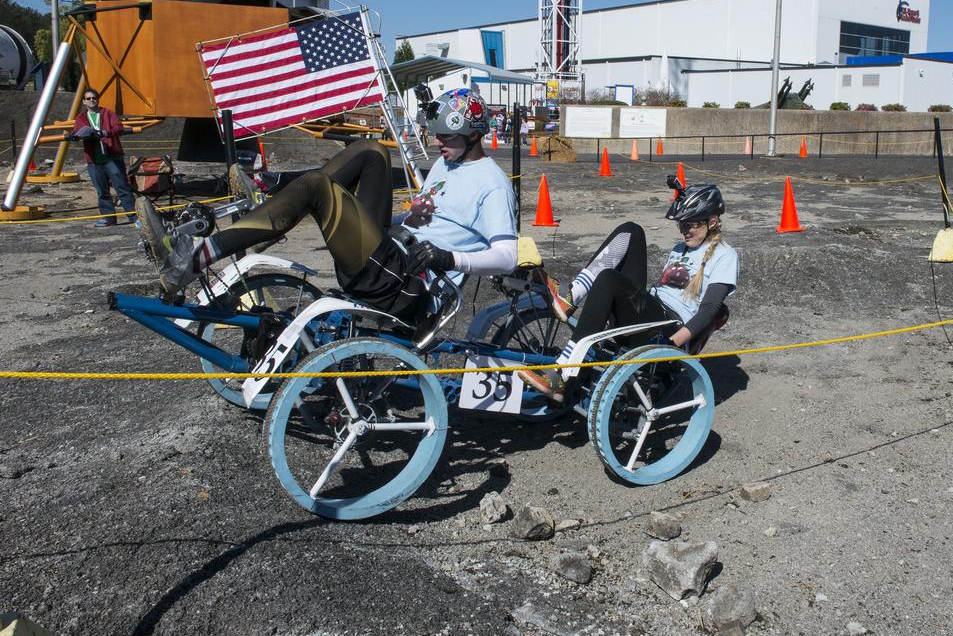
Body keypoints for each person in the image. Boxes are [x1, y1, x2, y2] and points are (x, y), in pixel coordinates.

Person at [138, 88, 518, 329]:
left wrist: (449, 258)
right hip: (386, 255)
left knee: (318, 188)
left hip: (408, 284)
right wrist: (409, 218)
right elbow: (435, 218)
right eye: (434, 134)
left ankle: (193, 258)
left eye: (446, 136)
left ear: (473, 135)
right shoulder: (446, 164)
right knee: (372, 152)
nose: (436, 142)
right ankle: (271, 203)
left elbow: (507, 256)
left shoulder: (493, 183)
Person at [520, 178, 738, 404]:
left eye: (690, 224)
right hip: (651, 311)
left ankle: (563, 374)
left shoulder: (725, 255)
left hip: (667, 327)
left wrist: (673, 344)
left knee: (609, 280)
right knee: (631, 230)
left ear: (712, 222)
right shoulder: (681, 248)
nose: (684, 230)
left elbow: (710, 309)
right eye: (681, 224)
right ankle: (572, 296)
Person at [71, 88, 136, 227]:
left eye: (94, 97)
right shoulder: (81, 118)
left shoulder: (108, 113)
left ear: (98, 99)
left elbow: (119, 127)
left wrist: (106, 132)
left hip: (112, 157)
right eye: (88, 98)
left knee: (122, 187)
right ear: (84, 102)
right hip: (94, 159)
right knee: (101, 190)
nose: (91, 100)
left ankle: (133, 216)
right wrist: (77, 136)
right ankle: (108, 218)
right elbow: (76, 131)